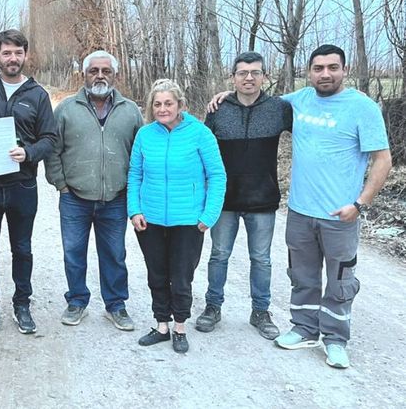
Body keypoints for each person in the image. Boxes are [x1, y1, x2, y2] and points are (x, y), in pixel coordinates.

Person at [272, 45, 391, 368]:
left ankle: (336, 339)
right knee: (302, 275)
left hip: (341, 215)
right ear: (308, 71)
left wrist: (360, 204)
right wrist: (228, 92)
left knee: (340, 281)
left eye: (332, 67)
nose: (325, 74)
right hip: (299, 211)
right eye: (318, 68)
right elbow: (257, 104)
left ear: (344, 69)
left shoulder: (362, 107)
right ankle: (305, 328)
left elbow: (383, 160)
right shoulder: (298, 100)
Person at [194, 52, 292, 340]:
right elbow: (202, 150)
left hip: (263, 198)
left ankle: (260, 311)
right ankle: (213, 306)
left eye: (255, 72)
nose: (249, 77)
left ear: (264, 76)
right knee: (219, 255)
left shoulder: (279, 109)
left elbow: (310, 122)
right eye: (242, 73)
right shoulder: (217, 109)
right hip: (225, 199)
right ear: (233, 77)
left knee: (261, 258)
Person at [44, 50, 142, 330]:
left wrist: (132, 191)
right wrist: (60, 184)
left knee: (114, 253)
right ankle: (77, 301)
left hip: (115, 198)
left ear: (115, 75)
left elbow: (140, 152)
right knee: (73, 252)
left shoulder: (130, 111)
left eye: (106, 71)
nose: (100, 76)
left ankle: (116, 305)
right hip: (74, 197)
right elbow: (53, 149)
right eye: (94, 71)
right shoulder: (66, 109)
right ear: (83, 75)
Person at [0, 29, 57, 334]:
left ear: (25, 55)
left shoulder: (37, 95)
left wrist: (29, 152)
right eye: (6, 53)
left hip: (23, 186)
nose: (12, 58)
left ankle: (22, 304)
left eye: (18, 53)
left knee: (22, 248)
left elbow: (50, 138)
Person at [128, 79, 226, 354]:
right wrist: (134, 210)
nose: (162, 109)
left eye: (168, 103)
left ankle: (180, 325)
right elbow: (134, 174)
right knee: (156, 275)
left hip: (189, 220)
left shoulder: (200, 134)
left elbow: (216, 175)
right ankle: (161, 325)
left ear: (180, 104)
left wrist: (209, 215)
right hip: (150, 219)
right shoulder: (145, 135)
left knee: (181, 276)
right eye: (157, 104)